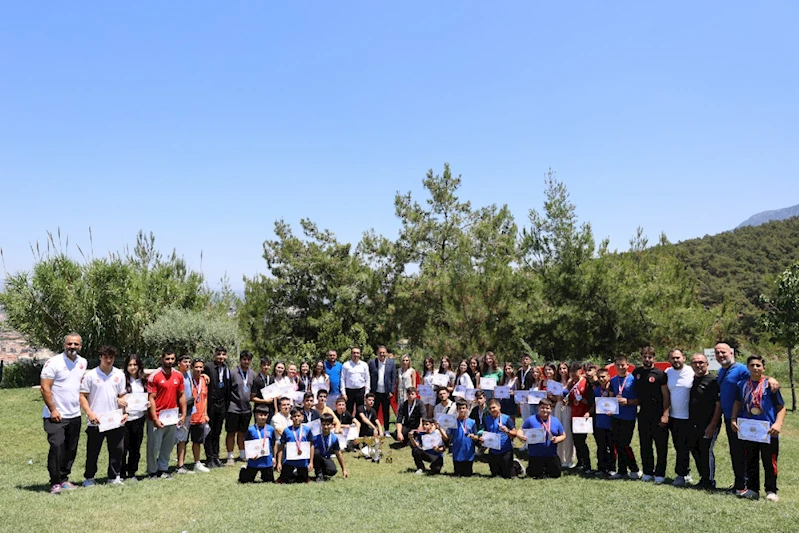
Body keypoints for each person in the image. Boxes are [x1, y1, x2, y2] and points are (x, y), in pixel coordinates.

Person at [715, 342, 779, 496]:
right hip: (732, 418)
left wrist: (771, 378)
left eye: (723, 352)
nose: (720, 355)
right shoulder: (721, 370)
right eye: (717, 353)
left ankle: (754, 487)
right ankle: (742, 485)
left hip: (747, 420)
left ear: (731, 353)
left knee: (748, 454)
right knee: (739, 453)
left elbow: (757, 375)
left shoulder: (741, 368)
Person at [731, 355, 786, 502]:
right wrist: (733, 419)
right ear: (747, 367)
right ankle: (752, 489)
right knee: (750, 460)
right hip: (748, 429)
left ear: (764, 368)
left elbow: (781, 407)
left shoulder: (771, 386)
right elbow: (737, 403)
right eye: (752, 365)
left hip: (768, 430)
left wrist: (778, 424)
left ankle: (771, 490)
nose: (755, 368)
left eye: (758, 365)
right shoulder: (741, 385)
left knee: (769, 461)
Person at [41, 333, 87, 494]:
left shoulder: (82, 362)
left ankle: (63, 479)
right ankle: (54, 482)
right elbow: (45, 388)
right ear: (64, 345)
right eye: (69, 344)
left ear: (80, 346)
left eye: (76, 344)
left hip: (74, 414)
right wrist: (53, 409)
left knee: (70, 449)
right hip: (56, 415)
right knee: (57, 446)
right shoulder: (53, 363)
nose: (72, 346)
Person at [79, 345, 127, 486]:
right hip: (96, 420)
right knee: (93, 451)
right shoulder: (91, 375)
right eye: (106, 357)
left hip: (115, 419)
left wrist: (125, 413)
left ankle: (113, 476)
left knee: (116, 450)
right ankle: (89, 478)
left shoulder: (119, 374)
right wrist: (89, 413)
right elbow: (82, 396)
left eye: (111, 357)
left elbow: (122, 396)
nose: (108, 360)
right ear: (100, 357)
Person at [146, 348, 188, 479]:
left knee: (168, 446)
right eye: (167, 359)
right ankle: (152, 471)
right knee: (154, 446)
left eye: (172, 359)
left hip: (172, 417)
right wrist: (155, 418)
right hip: (157, 417)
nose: (170, 361)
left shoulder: (178, 376)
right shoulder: (154, 376)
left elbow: (181, 395)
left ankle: (163, 469)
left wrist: (183, 414)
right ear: (162, 359)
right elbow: (151, 398)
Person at [632, 345, 670, 484]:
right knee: (645, 444)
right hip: (643, 414)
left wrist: (665, 414)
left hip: (658, 414)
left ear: (654, 358)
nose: (647, 359)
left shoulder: (660, 374)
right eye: (644, 357)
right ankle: (648, 471)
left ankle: (660, 473)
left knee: (661, 445)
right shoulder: (636, 372)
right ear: (641, 357)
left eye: (650, 357)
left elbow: (666, 396)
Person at [688, 352, 721, 489]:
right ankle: (703, 478)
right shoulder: (692, 380)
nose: (698, 365)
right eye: (695, 362)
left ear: (707, 364)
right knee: (695, 449)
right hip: (693, 423)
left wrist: (713, 424)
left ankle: (710, 481)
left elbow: (719, 405)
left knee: (706, 450)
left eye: (701, 362)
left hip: (709, 423)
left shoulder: (713, 381)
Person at [666, 349, 695, 486]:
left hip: (690, 417)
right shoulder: (667, 372)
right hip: (674, 417)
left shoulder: (692, 371)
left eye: (678, 357)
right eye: (673, 358)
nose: (676, 360)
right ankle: (682, 474)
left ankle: (702, 476)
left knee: (692, 447)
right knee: (679, 447)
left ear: (684, 358)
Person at [609, 355, 641, 480]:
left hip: (629, 417)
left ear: (628, 365)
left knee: (625, 444)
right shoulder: (613, 380)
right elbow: (610, 398)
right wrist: (609, 408)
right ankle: (622, 471)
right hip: (615, 416)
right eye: (618, 365)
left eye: (623, 365)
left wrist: (628, 402)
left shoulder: (634, 380)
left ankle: (635, 469)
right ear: (614, 366)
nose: (620, 367)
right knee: (617, 444)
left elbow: (640, 399)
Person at [520, 398, 565, 479]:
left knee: (555, 475)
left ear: (551, 409)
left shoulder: (555, 421)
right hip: (535, 455)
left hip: (551, 454)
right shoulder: (531, 419)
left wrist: (557, 439)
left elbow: (563, 435)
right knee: (535, 475)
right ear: (538, 408)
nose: (545, 410)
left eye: (547, 408)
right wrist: (521, 436)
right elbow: (520, 430)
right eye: (542, 408)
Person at [225, 351, 255, 465]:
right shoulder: (232, 373)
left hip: (246, 409)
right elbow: (227, 390)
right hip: (233, 408)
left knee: (243, 433)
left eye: (248, 359)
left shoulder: (253, 374)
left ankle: (242, 454)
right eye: (244, 359)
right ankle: (230, 456)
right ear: (240, 360)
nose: (246, 361)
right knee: (231, 433)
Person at [203, 346, 231, 468]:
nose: (221, 357)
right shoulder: (208, 367)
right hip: (210, 403)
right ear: (215, 355)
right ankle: (209, 458)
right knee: (209, 431)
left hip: (222, 404)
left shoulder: (226, 368)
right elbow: (199, 377)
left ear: (226, 356)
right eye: (219, 354)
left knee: (218, 431)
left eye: (223, 354)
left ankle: (216, 456)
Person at [121, 354, 148, 481]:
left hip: (139, 418)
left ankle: (132, 472)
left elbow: (147, 396)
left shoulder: (143, 380)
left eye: (135, 365)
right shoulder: (122, 380)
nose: (133, 367)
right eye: (130, 365)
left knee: (135, 447)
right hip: (125, 419)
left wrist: (147, 403)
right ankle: (121, 473)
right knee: (123, 447)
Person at [239, 405, 277, 483]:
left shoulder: (270, 429)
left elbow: (274, 444)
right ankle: (243, 470)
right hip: (254, 460)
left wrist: (274, 457)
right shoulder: (251, 429)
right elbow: (246, 443)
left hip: (267, 460)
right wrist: (250, 455)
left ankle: (263, 475)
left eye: (265, 415)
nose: (263, 417)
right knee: (246, 481)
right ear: (256, 415)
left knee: (269, 481)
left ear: (268, 415)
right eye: (260, 415)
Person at [442, 400, 479, 477]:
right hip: (457, 451)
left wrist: (473, 436)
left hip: (468, 451)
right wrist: (439, 429)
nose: (462, 410)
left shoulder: (472, 422)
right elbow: (447, 437)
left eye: (463, 408)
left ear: (467, 409)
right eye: (460, 408)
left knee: (468, 474)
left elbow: (477, 437)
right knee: (458, 474)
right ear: (457, 410)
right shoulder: (453, 422)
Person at [276, 408, 314, 483]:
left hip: (302, 462)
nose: (296, 418)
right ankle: (291, 474)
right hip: (289, 461)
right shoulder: (287, 430)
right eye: (294, 416)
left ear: (302, 417)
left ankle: (296, 474)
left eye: (298, 416)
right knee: (284, 481)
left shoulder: (307, 430)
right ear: (291, 418)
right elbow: (281, 447)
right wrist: (279, 462)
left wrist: (311, 462)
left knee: (303, 481)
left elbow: (311, 445)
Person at [482, 398, 516, 478]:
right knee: (495, 475)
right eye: (490, 408)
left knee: (507, 476)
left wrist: (507, 431)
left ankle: (516, 466)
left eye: (494, 407)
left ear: (499, 407)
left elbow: (515, 434)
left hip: (506, 450)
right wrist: (483, 439)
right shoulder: (487, 419)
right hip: (493, 451)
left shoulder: (506, 418)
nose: (492, 410)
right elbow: (485, 432)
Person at [568, 361, 591, 474]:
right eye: (571, 371)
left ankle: (587, 464)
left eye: (575, 371)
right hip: (573, 415)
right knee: (576, 441)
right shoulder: (572, 383)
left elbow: (589, 401)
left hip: (583, 416)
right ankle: (580, 462)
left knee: (582, 441)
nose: (573, 374)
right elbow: (572, 401)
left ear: (580, 371)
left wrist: (581, 398)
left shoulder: (585, 382)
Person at [592, 368, 616, 477]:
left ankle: (612, 468)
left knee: (611, 446)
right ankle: (601, 467)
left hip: (610, 422)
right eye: (599, 377)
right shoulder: (596, 390)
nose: (601, 379)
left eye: (603, 376)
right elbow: (594, 405)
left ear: (608, 377)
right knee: (601, 446)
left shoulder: (613, 389)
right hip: (599, 422)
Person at [188, 358, 210, 473]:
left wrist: (205, 413)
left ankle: (197, 463)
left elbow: (205, 398)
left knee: (197, 441)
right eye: (196, 367)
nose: (198, 369)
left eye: (201, 367)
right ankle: (179, 465)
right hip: (187, 415)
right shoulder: (187, 379)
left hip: (199, 415)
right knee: (181, 441)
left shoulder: (204, 380)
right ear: (192, 367)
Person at [174, 354, 195, 474]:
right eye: (185, 362)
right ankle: (161, 464)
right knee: (171, 438)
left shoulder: (189, 374)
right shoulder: (176, 375)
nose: (187, 364)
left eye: (189, 362)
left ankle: (180, 465)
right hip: (177, 411)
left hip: (188, 410)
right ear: (179, 364)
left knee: (183, 438)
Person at [312, 413, 349, 482]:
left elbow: (338, 454)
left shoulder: (334, 438)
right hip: (314, 458)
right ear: (320, 424)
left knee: (333, 471)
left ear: (332, 425)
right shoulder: (315, 437)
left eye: (328, 424)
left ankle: (322, 471)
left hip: (326, 458)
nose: (325, 427)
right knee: (316, 452)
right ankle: (319, 474)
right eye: (323, 424)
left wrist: (344, 469)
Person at [369, 345, 397, 433]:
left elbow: (393, 378)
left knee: (386, 411)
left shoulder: (391, 363)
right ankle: (373, 429)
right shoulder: (372, 363)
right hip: (375, 392)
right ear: (377, 353)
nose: (382, 354)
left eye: (383, 352)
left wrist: (392, 391)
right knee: (374, 411)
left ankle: (387, 430)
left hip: (386, 392)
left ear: (386, 353)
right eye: (380, 353)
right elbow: (369, 376)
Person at [554, 361, 574, 468]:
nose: (562, 371)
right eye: (560, 369)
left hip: (567, 407)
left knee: (567, 431)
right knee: (558, 431)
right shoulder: (556, 382)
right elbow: (555, 398)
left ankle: (569, 458)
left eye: (564, 368)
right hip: (558, 406)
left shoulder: (572, 381)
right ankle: (560, 458)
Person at [341, 347, 370, 415]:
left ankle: (359, 422)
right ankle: (348, 421)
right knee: (348, 410)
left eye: (357, 353)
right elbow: (342, 379)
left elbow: (367, 379)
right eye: (354, 353)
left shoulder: (364, 365)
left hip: (360, 391)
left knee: (360, 410)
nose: (356, 355)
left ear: (360, 354)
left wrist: (367, 392)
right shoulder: (346, 365)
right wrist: (343, 393)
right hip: (349, 391)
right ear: (351, 354)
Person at [517, 354, 536, 421]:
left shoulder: (533, 371)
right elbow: (518, 384)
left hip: (530, 396)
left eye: (526, 359)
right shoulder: (519, 372)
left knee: (532, 416)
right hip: (522, 397)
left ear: (530, 361)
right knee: (524, 417)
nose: (525, 361)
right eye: (523, 360)